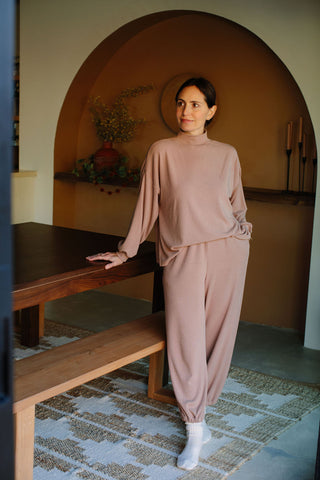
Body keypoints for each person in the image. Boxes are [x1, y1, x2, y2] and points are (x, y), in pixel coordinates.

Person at [87, 77, 252, 471]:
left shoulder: (227, 154)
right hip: (182, 255)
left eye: (196, 105)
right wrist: (126, 250)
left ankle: (202, 414)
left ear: (211, 111)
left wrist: (243, 234)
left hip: (228, 251)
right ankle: (194, 426)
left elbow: (237, 205)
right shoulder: (162, 151)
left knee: (217, 335)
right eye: (181, 103)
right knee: (184, 336)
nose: (186, 112)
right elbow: (147, 206)